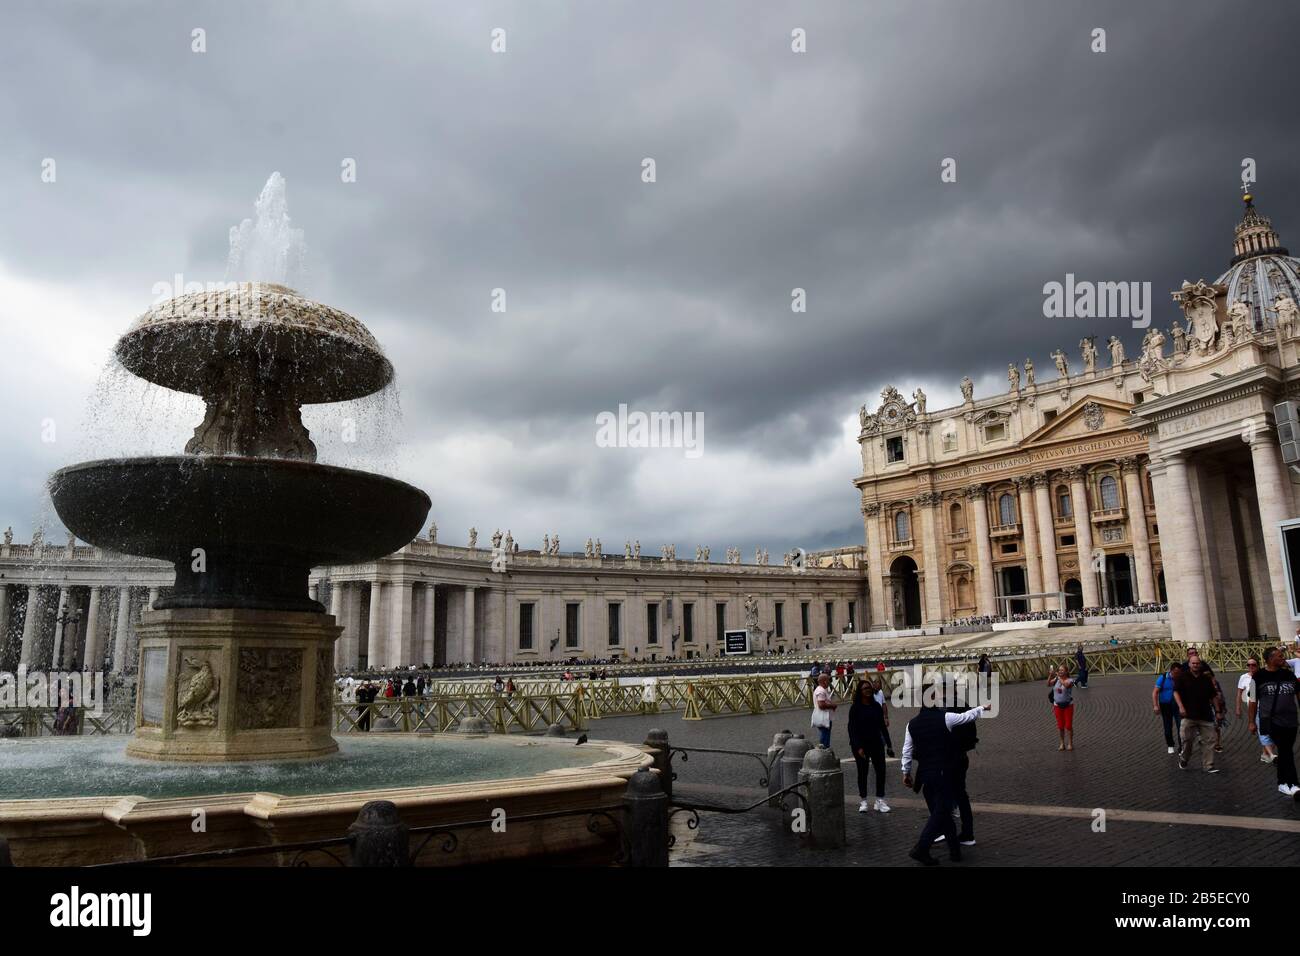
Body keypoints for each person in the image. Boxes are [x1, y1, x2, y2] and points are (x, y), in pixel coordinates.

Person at [901, 688, 990, 866]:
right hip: (943, 772)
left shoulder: (912, 724)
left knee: (943, 812)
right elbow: (967, 716)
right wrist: (982, 708)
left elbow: (907, 750)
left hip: (925, 774)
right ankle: (922, 847)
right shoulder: (945, 718)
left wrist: (906, 772)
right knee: (941, 811)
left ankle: (955, 851)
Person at [1249, 647, 1299, 796]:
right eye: (1280, 656)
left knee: (1286, 750)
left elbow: (1298, 694)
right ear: (1270, 659)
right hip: (1272, 721)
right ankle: (1293, 784)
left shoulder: (1289, 675)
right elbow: (1252, 700)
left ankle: (1282, 783)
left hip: (1291, 720)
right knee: (1285, 750)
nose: (1283, 658)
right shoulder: (1257, 677)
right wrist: (1251, 722)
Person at [847, 679, 889, 813]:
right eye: (865, 688)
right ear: (860, 691)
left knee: (881, 771)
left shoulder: (876, 706)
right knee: (862, 772)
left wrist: (889, 743)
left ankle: (880, 800)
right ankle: (863, 800)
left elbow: (882, 726)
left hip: (876, 743)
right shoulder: (855, 708)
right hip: (861, 745)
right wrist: (858, 747)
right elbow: (851, 729)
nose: (868, 690)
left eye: (869, 688)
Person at [1174, 654, 1220, 773]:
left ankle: (1208, 765)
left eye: (1197, 663)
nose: (1195, 665)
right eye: (1193, 663)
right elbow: (1176, 692)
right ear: (1189, 664)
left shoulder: (1206, 679)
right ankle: (1184, 758)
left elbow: (1213, 696)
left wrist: (1218, 711)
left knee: (1209, 740)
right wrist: (1181, 707)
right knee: (1187, 741)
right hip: (1188, 715)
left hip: (1205, 714)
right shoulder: (1183, 677)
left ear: (1200, 664)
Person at [1238, 656, 1277, 764]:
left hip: (1269, 708)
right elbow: (1243, 695)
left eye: (1253, 665)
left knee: (1271, 730)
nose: (1251, 667)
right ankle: (1270, 754)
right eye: (1248, 665)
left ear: (1258, 665)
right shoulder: (1244, 677)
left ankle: (1265, 754)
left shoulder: (1262, 676)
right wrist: (1238, 708)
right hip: (1256, 709)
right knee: (1263, 731)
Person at [1152, 662, 1183, 755]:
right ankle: (1170, 745)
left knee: (1181, 726)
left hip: (1177, 705)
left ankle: (1181, 746)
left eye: (1179, 673)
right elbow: (1155, 692)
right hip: (1165, 705)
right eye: (1175, 673)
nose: (1176, 675)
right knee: (1167, 726)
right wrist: (1155, 705)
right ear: (1171, 670)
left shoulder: (1180, 678)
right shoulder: (1163, 678)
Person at [1047, 665, 1075, 751]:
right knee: (1060, 726)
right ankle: (1062, 743)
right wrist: (1050, 675)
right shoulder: (1056, 680)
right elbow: (1048, 684)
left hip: (1068, 706)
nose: (1060, 671)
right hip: (1057, 706)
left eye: (1062, 670)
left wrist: (1058, 677)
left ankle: (1070, 743)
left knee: (1068, 725)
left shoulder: (1070, 680)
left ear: (1066, 672)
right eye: (1059, 670)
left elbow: (1066, 685)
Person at [810, 673, 837, 747]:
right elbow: (821, 705)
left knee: (824, 734)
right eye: (828, 680)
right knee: (825, 736)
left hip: (822, 716)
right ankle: (824, 752)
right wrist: (832, 705)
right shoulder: (821, 691)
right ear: (824, 681)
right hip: (824, 717)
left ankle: (823, 750)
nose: (829, 682)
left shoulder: (819, 689)